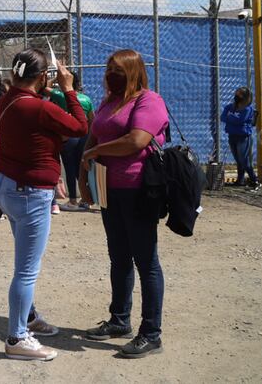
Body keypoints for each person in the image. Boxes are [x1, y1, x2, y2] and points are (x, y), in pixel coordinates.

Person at [0, 49, 87, 360]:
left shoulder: (8, 99)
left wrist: (47, 90)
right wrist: (69, 89)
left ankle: (28, 316)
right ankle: (17, 338)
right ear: (43, 76)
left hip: (8, 186)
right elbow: (79, 126)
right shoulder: (39, 108)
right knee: (26, 271)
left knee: (23, 260)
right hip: (30, 192)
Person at [80, 49, 170, 358]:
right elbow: (93, 136)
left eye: (116, 70)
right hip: (108, 188)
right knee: (118, 257)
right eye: (108, 69)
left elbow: (136, 140)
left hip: (137, 190)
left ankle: (151, 332)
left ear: (133, 71)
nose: (109, 75)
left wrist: (94, 152)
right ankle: (119, 321)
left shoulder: (149, 101)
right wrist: (84, 174)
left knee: (146, 261)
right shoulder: (107, 102)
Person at [49, 73, 95, 211]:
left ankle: (73, 200)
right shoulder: (86, 99)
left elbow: (44, 87)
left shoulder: (61, 96)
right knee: (81, 167)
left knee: (69, 167)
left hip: (69, 135)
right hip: (85, 136)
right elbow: (92, 119)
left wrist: (56, 78)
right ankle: (88, 199)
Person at [222, 87, 257, 188]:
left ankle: (254, 180)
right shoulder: (230, 107)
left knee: (243, 160)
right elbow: (222, 117)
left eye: (240, 94)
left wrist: (230, 117)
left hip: (243, 137)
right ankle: (240, 181)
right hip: (232, 135)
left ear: (245, 97)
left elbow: (240, 120)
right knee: (238, 160)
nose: (237, 96)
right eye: (236, 93)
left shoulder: (247, 109)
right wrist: (232, 117)